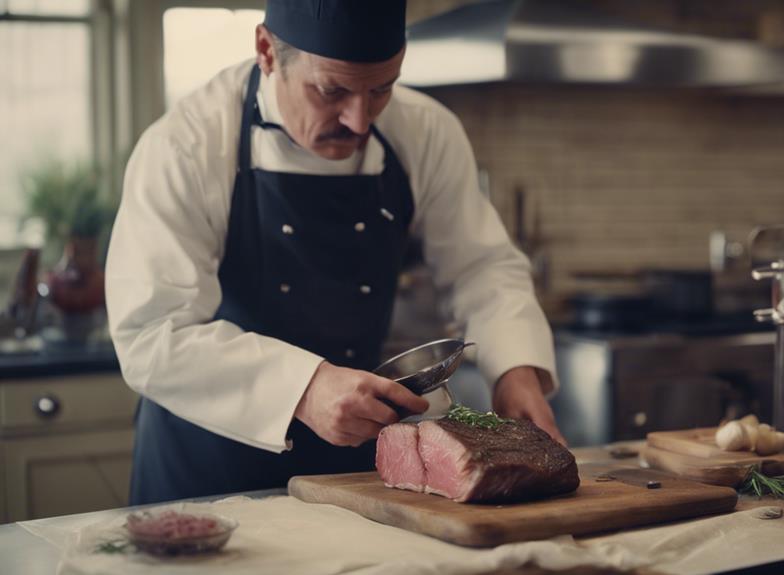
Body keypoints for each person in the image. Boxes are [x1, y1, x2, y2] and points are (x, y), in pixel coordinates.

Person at [106, 0, 562, 505]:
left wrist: (516, 370)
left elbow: (482, 267)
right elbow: (151, 332)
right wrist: (304, 386)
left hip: (354, 466)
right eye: (332, 90)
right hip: (206, 469)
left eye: (381, 88)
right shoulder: (185, 145)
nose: (360, 120)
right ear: (266, 51)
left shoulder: (427, 132)